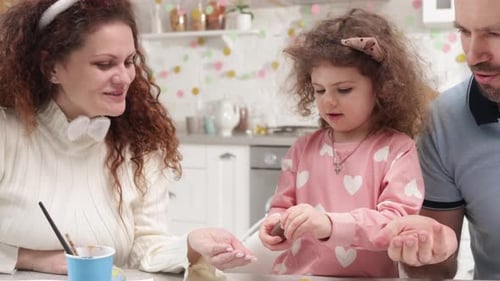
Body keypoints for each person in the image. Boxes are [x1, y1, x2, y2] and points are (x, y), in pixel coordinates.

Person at [0, 0, 255, 276]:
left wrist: (192, 245)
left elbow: (143, 248)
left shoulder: (140, 146)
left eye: (130, 61)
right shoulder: (6, 133)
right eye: (105, 64)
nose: (124, 77)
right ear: (50, 67)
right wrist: (30, 258)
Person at [258, 8, 436, 277]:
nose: (328, 101)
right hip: (300, 275)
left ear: (381, 87)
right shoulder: (302, 149)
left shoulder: (397, 150)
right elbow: (282, 207)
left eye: (344, 90)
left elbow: (395, 223)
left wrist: (329, 225)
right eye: (319, 90)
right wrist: (276, 224)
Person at [374, 0, 500, 280]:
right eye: (465, 32)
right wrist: (421, 251)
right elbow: (436, 270)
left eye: (496, 34)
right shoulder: (446, 120)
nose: (473, 54)